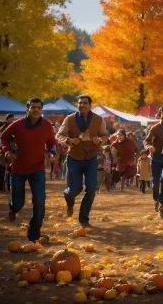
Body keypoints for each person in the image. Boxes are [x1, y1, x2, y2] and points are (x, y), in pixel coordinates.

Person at [1, 98, 57, 243]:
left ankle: (33, 235)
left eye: (39, 107)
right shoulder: (17, 125)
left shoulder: (47, 126)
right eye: (33, 107)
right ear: (27, 110)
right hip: (18, 169)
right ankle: (13, 208)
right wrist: (7, 152)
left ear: (41, 110)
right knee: (18, 203)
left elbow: (51, 143)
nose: (36, 110)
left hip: (37, 169)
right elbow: (4, 137)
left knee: (39, 202)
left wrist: (51, 153)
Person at [56, 95, 108, 228]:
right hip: (73, 158)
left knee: (91, 189)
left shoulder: (99, 119)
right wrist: (68, 141)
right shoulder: (70, 119)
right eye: (80, 103)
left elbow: (104, 135)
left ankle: (84, 219)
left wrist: (100, 140)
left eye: (85, 103)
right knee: (74, 189)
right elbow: (59, 135)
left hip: (91, 158)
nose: (82, 105)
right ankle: (69, 201)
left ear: (90, 105)